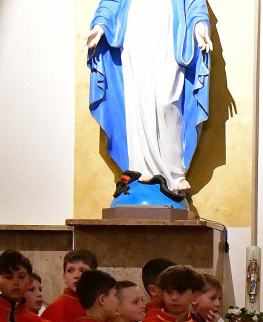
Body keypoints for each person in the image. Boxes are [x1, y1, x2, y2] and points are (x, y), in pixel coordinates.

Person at [86, 0, 212, 196]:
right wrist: (100, 25)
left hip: (168, 35)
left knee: (165, 101)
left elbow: (195, 4)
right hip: (135, 36)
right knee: (136, 102)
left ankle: (174, 173)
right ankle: (140, 168)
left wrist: (200, 26)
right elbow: (111, 2)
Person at [41, 249, 98, 322]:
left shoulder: (100, 304)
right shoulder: (55, 308)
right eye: (70, 271)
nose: (76, 275)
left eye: (82, 270)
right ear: (65, 277)